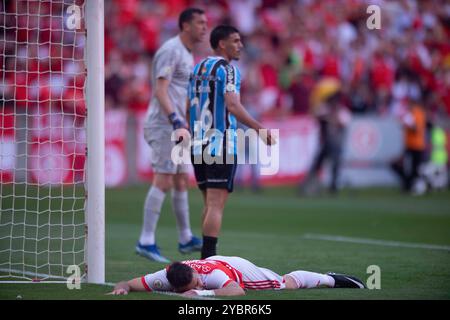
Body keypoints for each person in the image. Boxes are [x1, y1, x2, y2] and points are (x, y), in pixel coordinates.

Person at [186, 25, 276, 259]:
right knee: (216, 205)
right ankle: (208, 261)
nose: (241, 45)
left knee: (208, 203)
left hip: (198, 144)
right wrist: (259, 129)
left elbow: (189, 106)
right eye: (235, 41)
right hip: (221, 143)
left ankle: (205, 259)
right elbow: (233, 105)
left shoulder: (197, 68)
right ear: (222, 44)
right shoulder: (229, 70)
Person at [137, 8, 207, 262]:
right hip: (164, 124)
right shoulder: (171, 50)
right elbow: (160, 89)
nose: (204, 27)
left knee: (180, 180)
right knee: (164, 179)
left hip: (177, 125)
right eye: (200, 22)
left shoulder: (188, 55)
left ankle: (186, 237)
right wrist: (175, 119)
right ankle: (146, 240)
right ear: (186, 25)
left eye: (205, 23)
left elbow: (181, 94)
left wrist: (187, 120)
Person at [108, 255, 366, 297]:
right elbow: (127, 283)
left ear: (196, 274)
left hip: (235, 268)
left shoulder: (210, 277)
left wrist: (202, 291)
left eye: (197, 279)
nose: (197, 283)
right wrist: (122, 288)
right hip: (219, 262)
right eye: (193, 284)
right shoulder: (162, 277)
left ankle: (331, 278)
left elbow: (237, 291)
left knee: (283, 284)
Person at [299, 77, 351, 195]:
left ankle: (333, 188)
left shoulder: (342, 112)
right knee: (317, 166)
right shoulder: (325, 110)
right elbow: (316, 115)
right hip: (325, 144)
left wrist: (332, 117)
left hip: (335, 144)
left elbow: (342, 123)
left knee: (335, 167)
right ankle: (306, 188)